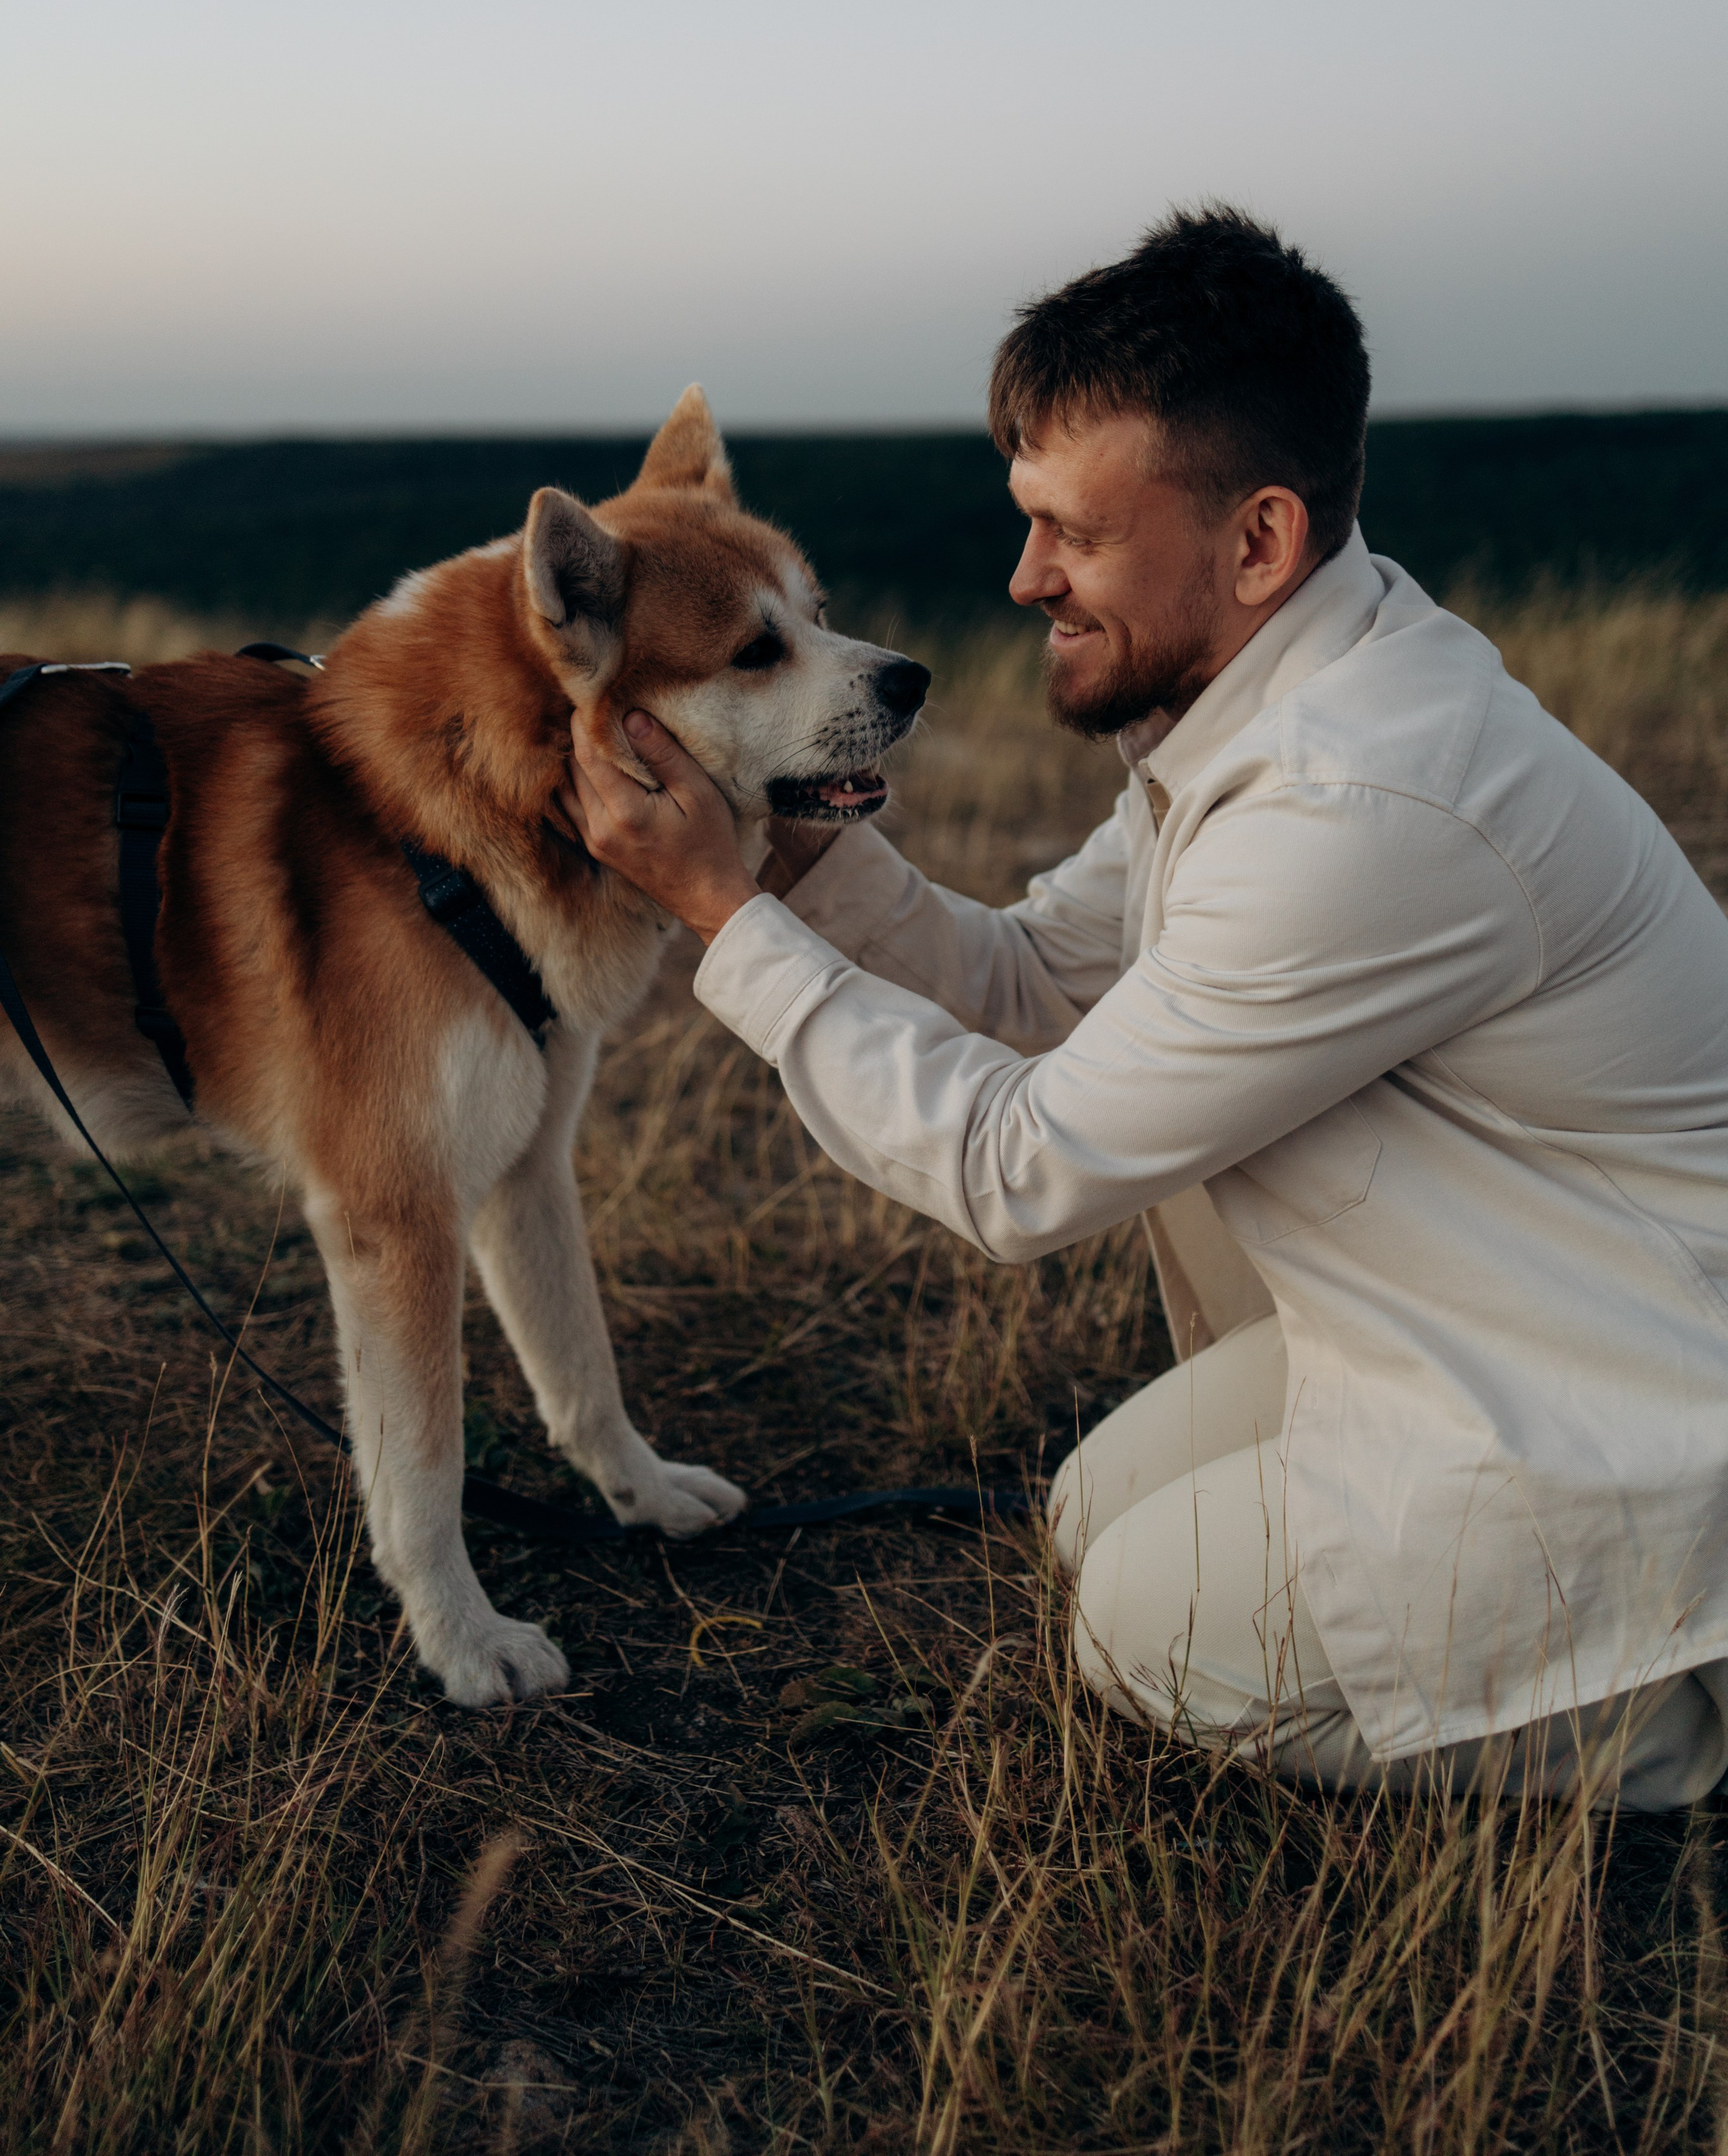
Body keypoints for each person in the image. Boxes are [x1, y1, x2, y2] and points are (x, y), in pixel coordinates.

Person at [561, 207, 1728, 1808]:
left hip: (1638, 1377)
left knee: (1149, 1635)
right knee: (1087, 1514)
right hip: (1489, 1302)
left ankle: (1672, 1709)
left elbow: (1019, 1172)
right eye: (1026, 514)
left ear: (1255, 542)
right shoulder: (1270, 700)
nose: (1024, 574)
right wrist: (802, 849)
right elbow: (1035, 987)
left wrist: (722, 908)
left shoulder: (1361, 804)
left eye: (1074, 535)